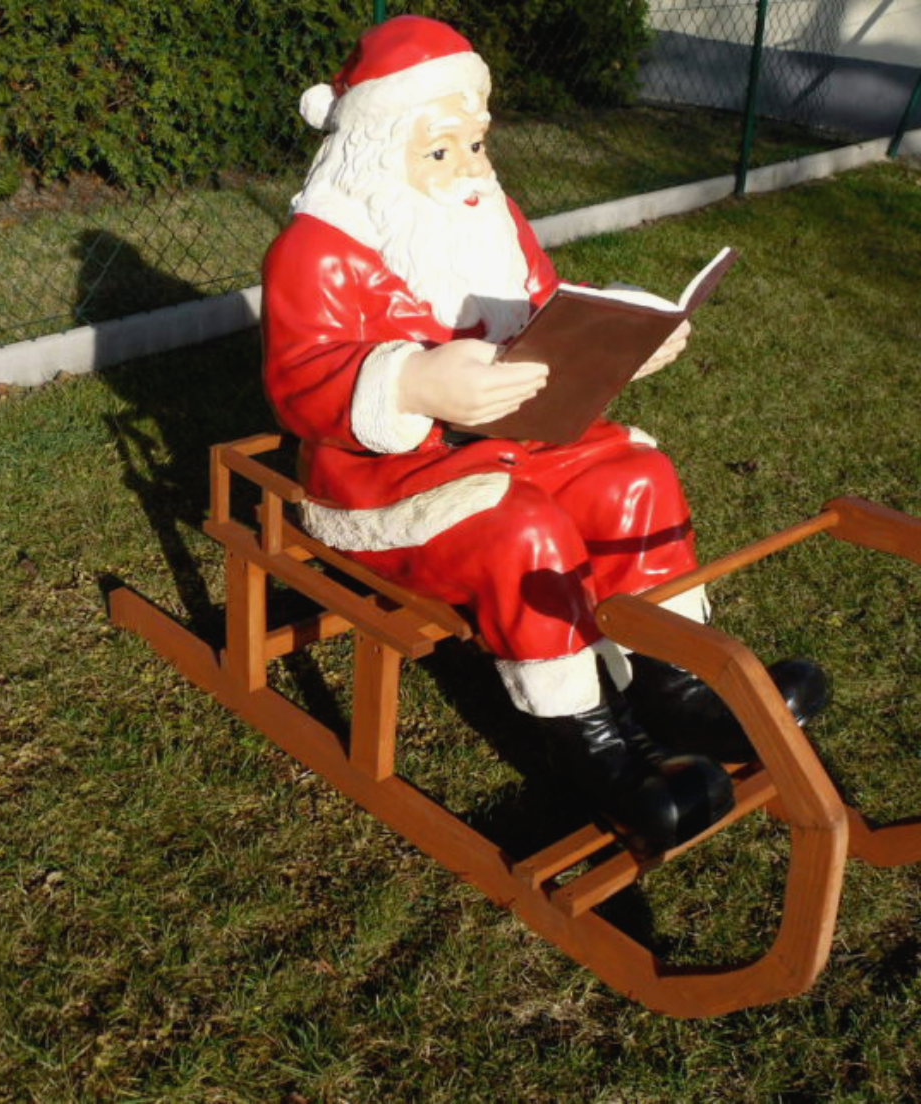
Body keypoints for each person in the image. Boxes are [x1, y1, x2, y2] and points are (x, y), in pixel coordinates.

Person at [262, 16, 826, 857]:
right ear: (376, 148)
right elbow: (301, 383)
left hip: (525, 436)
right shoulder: (318, 254)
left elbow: (543, 306)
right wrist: (413, 382)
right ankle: (594, 742)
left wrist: (624, 333)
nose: (469, 171)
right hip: (392, 470)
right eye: (440, 151)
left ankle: (673, 678)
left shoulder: (489, 216)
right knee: (521, 530)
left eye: (477, 146)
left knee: (636, 477)